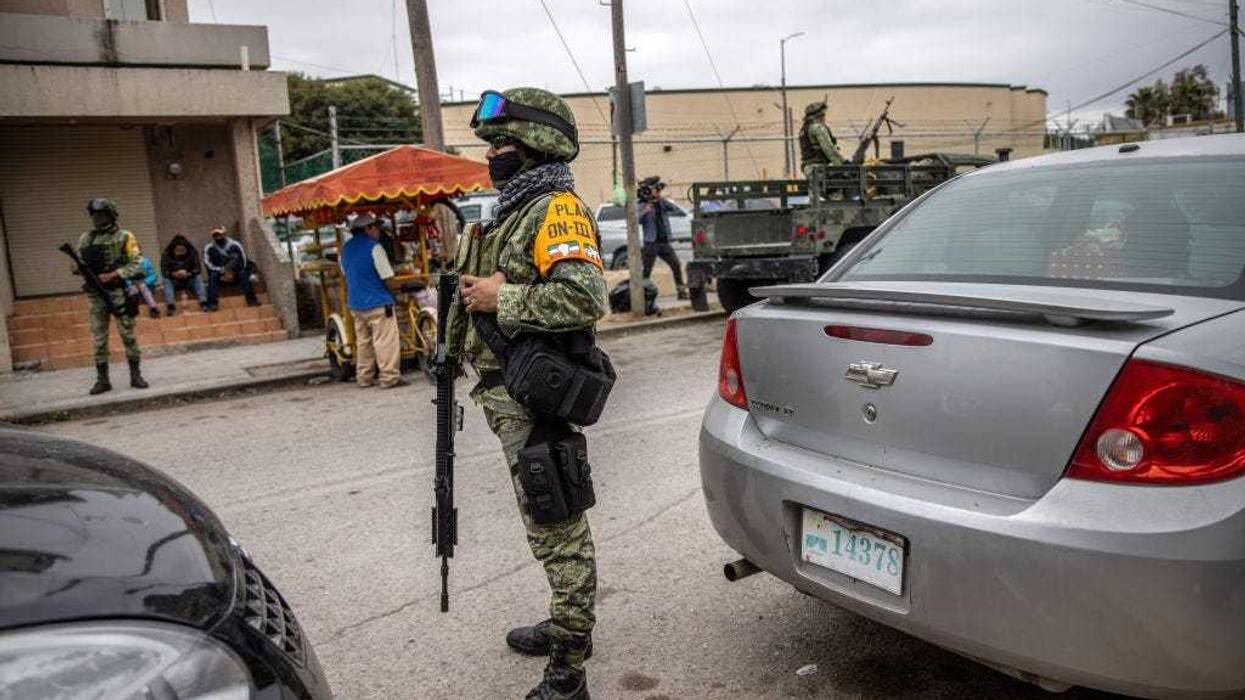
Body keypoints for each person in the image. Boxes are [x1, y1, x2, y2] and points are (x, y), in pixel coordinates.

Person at [449, 87, 607, 700]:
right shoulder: (510, 212)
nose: (493, 154)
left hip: (535, 391)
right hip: (504, 389)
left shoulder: (556, 210)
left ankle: (569, 669)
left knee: (556, 520)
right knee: (542, 517)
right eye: (491, 144)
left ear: (538, 147)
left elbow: (586, 297)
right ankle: (564, 620)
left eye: (504, 144)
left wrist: (500, 298)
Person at [74, 199, 149, 395]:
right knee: (99, 339)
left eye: (101, 214)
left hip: (118, 292)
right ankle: (102, 380)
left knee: (128, 334)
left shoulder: (125, 237)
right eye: (94, 215)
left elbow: (138, 263)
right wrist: (80, 267)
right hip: (96, 294)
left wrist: (114, 274)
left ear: (111, 215)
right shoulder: (86, 239)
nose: (96, 218)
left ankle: (136, 375)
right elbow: (76, 266)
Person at [339, 212, 406, 389]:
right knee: (385, 341)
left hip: (356, 304)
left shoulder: (345, 250)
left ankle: (364, 377)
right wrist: (397, 292)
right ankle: (389, 377)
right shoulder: (374, 247)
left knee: (363, 343)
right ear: (368, 228)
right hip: (378, 302)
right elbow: (387, 277)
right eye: (375, 227)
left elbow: (346, 274)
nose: (378, 231)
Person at [637, 176, 688, 300]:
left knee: (676, 265)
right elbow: (636, 220)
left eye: (658, 190)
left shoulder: (662, 203)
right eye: (656, 190)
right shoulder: (642, 204)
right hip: (651, 243)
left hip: (664, 242)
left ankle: (681, 292)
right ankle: (642, 295)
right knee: (646, 271)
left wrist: (661, 199)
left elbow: (674, 209)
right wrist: (646, 210)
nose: (658, 192)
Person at [203, 226, 259, 311]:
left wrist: (231, 271)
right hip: (219, 272)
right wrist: (221, 270)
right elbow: (207, 263)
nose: (218, 237)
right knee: (213, 276)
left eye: (219, 234)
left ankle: (252, 301)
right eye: (215, 235)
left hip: (235, 272)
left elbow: (243, 261)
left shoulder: (235, 245)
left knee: (243, 273)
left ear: (224, 234)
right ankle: (212, 304)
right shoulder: (209, 247)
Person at [161, 233, 208, 315]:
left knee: (198, 278)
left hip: (189, 278)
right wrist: (173, 274)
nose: (180, 253)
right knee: (166, 281)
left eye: (182, 250)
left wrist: (189, 274)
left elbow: (198, 269)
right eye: (178, 251)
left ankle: (203, 302)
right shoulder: (166, 254)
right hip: (174, 280)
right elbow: (164, 271)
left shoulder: (193, 252)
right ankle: (170, 306)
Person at [800, 100, 844, 173]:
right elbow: (829, 149)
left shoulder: (805, 128)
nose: (824, 117)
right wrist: (843, 165)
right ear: (819, 115)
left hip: (809, 167)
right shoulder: (817, 128)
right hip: (819, 167)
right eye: (823, 114)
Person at [126, 253, 161, 318]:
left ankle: (153, 308)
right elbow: (125, 278)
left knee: (144, 288)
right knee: (132, 290)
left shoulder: (146, 261)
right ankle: (133, 311)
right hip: (132, 285)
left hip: (145, 284)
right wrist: (131, 283)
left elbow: (153, 275)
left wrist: (144, 282)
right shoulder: (126, 263)